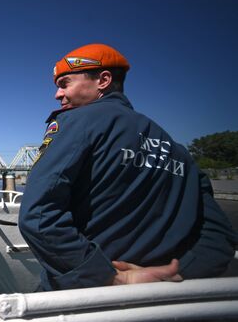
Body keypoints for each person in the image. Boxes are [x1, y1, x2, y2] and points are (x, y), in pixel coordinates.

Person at [18, 43, 238, 291]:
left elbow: (37, 217)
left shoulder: (76, 122)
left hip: (84, 296)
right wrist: (173, 276)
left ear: (103, 80)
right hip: (165, 302)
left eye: (65, 83)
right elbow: (219, 237)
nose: (57, 95)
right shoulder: (178, 150)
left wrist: (112, 277)